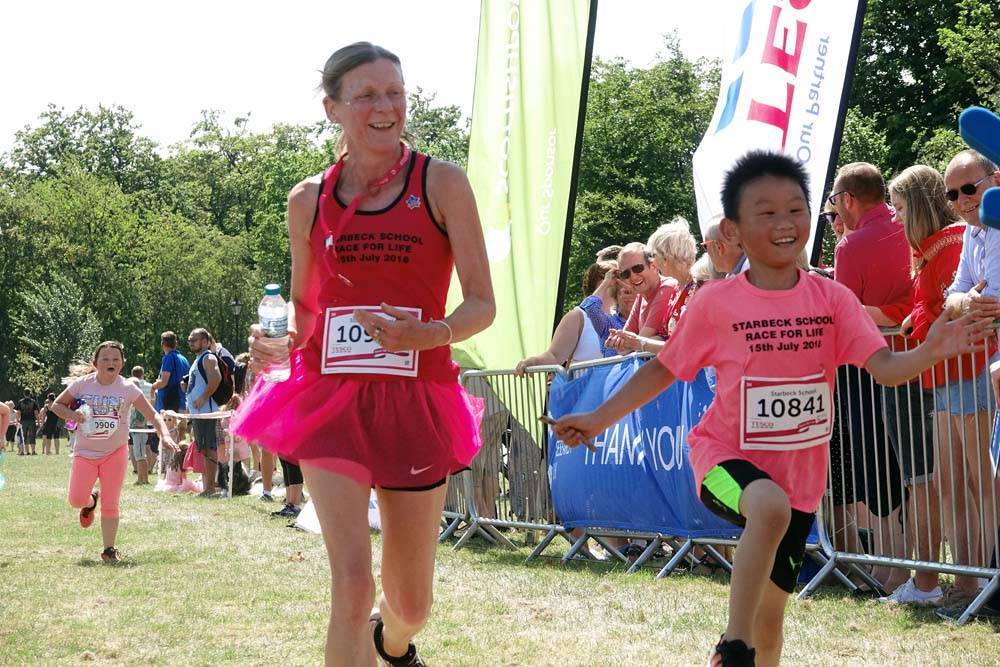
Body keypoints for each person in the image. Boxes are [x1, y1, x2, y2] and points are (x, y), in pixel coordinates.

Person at [551, 150, 990, 667]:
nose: (784, 223)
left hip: (802, 482)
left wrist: (931, 350)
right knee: (767, 511)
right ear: (734, 230)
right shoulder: (716, 303)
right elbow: (662, 369)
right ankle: (731, 646)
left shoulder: (832, 301)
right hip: (721, 461)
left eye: (796, 209)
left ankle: (751, 644)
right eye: (766, 212)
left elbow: (886, 368)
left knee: (773, 621)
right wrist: (597, 418)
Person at [231, 42, 495, 667]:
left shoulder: (442, 183)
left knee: (412, 602)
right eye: (368, 95)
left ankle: (394, 642)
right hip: (330, 397)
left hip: (418, 397)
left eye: (396, 93)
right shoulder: (307, 198)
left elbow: (482, 305)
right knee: (351, 584)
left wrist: (429, 335)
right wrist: (274, 345)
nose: (387, 107)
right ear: (332, 108)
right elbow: (302, 307)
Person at [882, 165, 986, 607]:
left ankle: (980, 582)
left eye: (901, 208)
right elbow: (943, 305)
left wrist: (919, 321)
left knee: (979, 484)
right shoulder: (942, 245)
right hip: (945, 371)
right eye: (952, 193)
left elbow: (948, 312)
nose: (896, 218)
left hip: (970, 367)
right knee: (950, 484)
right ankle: (965, 583)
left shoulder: (950, 244)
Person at [830, 161, 916, 592]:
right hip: (914, 360)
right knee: (907, 468)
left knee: (875, 467)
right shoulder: (906, 229)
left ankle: (891, 566)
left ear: (847, 199)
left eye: (834, 201)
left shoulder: (852, 244)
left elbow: (842, 314)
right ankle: (892, 565)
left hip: (863, 366)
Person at [50, 341, 178, 562]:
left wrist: (164, 435)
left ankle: (109, 550)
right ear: (95, 363)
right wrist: (74, 416)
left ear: (122, 363)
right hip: (85, 453)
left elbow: (153, 415)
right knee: (75, 500)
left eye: (115, 359)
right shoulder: (82, 384)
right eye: (105, 359)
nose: (111, 363)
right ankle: (90, 502)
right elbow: (57, 406)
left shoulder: (127, 388)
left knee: (111, 503)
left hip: (115, 453)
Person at [610, 218, 699, 354]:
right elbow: (664, 338)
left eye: (654, 255)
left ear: (666, 258)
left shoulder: (698, 287)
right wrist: (630, 342)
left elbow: (685, 347)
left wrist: (638, 343)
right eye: (625, 274)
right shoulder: (677, 290)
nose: (653, 261)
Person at [514, 261, 621, 375]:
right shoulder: (577, 317)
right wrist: (533, 362)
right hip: (582, 391)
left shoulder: (620, 317)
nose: (617, 283)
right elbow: (554, 356)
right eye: (612, 278)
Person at [608, 241, 676, 355]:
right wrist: (628, 343)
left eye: (638, 268)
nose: (633, 276)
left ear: (653, 265)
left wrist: (632, 343)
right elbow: (624, 347)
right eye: (625, 274)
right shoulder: (641, 296)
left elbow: (639, 340)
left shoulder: (667, 288)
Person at [185, 328, 222, 496]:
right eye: (190, 340)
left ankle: (211, 488)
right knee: (204, 449)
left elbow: (216, 378)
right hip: (198, 413)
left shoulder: (208, 357)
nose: (191, 342)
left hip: (206, 412)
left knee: (208, 447)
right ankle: (208, 487)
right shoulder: (198, 359)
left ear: (206, 342)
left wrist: (203, 398)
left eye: (195, 339)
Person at [149, 331, 190, 412]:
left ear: (162, 344)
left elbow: (164, 382)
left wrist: (153, 387)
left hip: (168, 405)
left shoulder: (169, 358)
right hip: (182, 403)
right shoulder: (184, 359)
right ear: (176, 343)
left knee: (165, 425)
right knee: (181, 424)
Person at [127, 366, 156, 483]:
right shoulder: (134, 400)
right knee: (140, 453)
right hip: (135, 430)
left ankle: (142, 479)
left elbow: (145, 411)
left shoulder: (138, 400)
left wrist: (143, 422)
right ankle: (143, 478)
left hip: (139, 430)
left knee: (140, 455)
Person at [17, 389, 39, 456]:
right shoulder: (33, 402)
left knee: (23, 436)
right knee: (32, 436)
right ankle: (33, 451)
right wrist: (38, 421)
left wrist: (18, 420)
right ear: (30, 393)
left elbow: (18, 412)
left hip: (23, 421)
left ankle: (23, 451)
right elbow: (36, 413)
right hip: (31, 421)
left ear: (24, 393)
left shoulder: (20, 402)